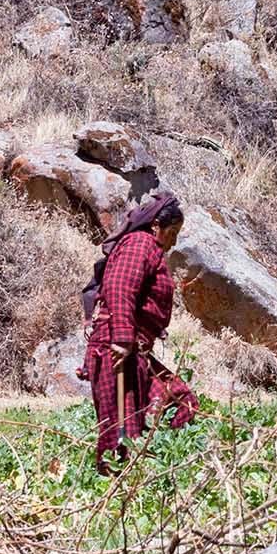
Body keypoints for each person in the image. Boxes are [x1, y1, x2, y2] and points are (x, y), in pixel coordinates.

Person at [79, 192, 196, 474]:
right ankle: (115, 489)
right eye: (173, 232)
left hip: (135, 349)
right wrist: (120, 340)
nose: (174, 241)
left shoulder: (148, 249)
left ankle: (155, 466)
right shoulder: (139, 244)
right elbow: (120, 288)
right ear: (156, 226)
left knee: (181, 399)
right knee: (120, 429)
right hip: (116, 347)